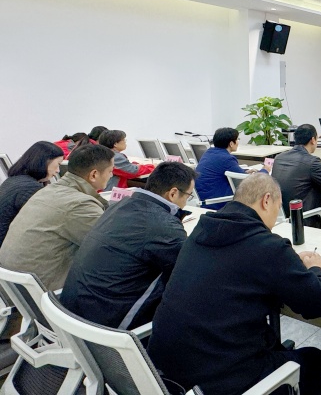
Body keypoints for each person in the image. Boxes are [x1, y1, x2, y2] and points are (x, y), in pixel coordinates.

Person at [147, 173, 321, 395]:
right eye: (277, 208)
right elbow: (318, 302)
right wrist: (317, 269)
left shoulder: (201, 230)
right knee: (313, 358)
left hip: (165, 375)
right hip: (217, 381)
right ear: (266, 200)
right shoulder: (266, 245)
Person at [60, 162, 196, 330]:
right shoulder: (164, 226)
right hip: (105, 330)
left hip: (71, 314)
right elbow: (187, 272)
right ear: (173, 193)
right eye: (188, 196)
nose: (186, 202)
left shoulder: (118, 206)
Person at [0, 144, 113, 290]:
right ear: (94, 175)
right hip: (43, 288)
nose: (111, 175)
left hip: (14, 282)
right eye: (110, 171)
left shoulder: (48, 190)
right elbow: (111, 246)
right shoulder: (79, 204)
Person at [271, 124, 321, 228]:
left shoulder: (279, 158)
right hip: (305, 222)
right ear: (313, 140)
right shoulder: (312, 162)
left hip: (282, 221)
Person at [0, 141, 64, 246]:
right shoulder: (29, 188)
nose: (58, 170)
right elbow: (47, 221)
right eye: (58, 164)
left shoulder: (14, 180)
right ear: (44, 162)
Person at [194, 127, 255, 209]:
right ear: (231, 144)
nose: (238, 142)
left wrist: (245, 171)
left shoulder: (208, 153)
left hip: (203, 198)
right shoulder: (227, 158)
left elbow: (229, 171)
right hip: (215, 202)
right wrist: (264, 170)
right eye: (237, 139)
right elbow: (244, 180)